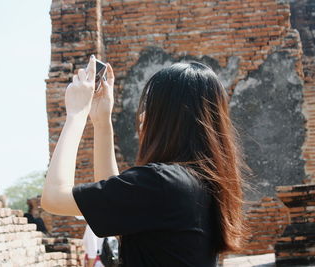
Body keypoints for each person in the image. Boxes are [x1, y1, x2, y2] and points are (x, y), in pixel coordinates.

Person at [41, 55, 250, 266]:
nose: (141, 116)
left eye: (149, 106)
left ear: (167, 117)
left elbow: (54, 198)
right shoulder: (201, 182)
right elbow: (119, 206)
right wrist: (102, 123)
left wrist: (76, 115)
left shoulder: (162, 182)